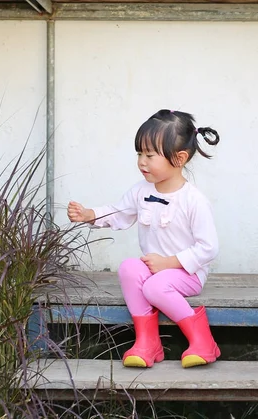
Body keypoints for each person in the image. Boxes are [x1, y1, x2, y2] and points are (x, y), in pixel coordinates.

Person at [67, 109, 220, 369]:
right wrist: (90, 215)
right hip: (154, 269)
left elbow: (208, 248)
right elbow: (119, 214)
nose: (142, 161)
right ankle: (148, 342)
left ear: (180, 158)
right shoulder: (141, 191)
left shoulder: (193, 200)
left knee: (155, 287)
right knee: (128, 268)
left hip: (187, 273)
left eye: (150, 155)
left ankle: (203, 340)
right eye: (139, 153)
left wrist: (170, 262)